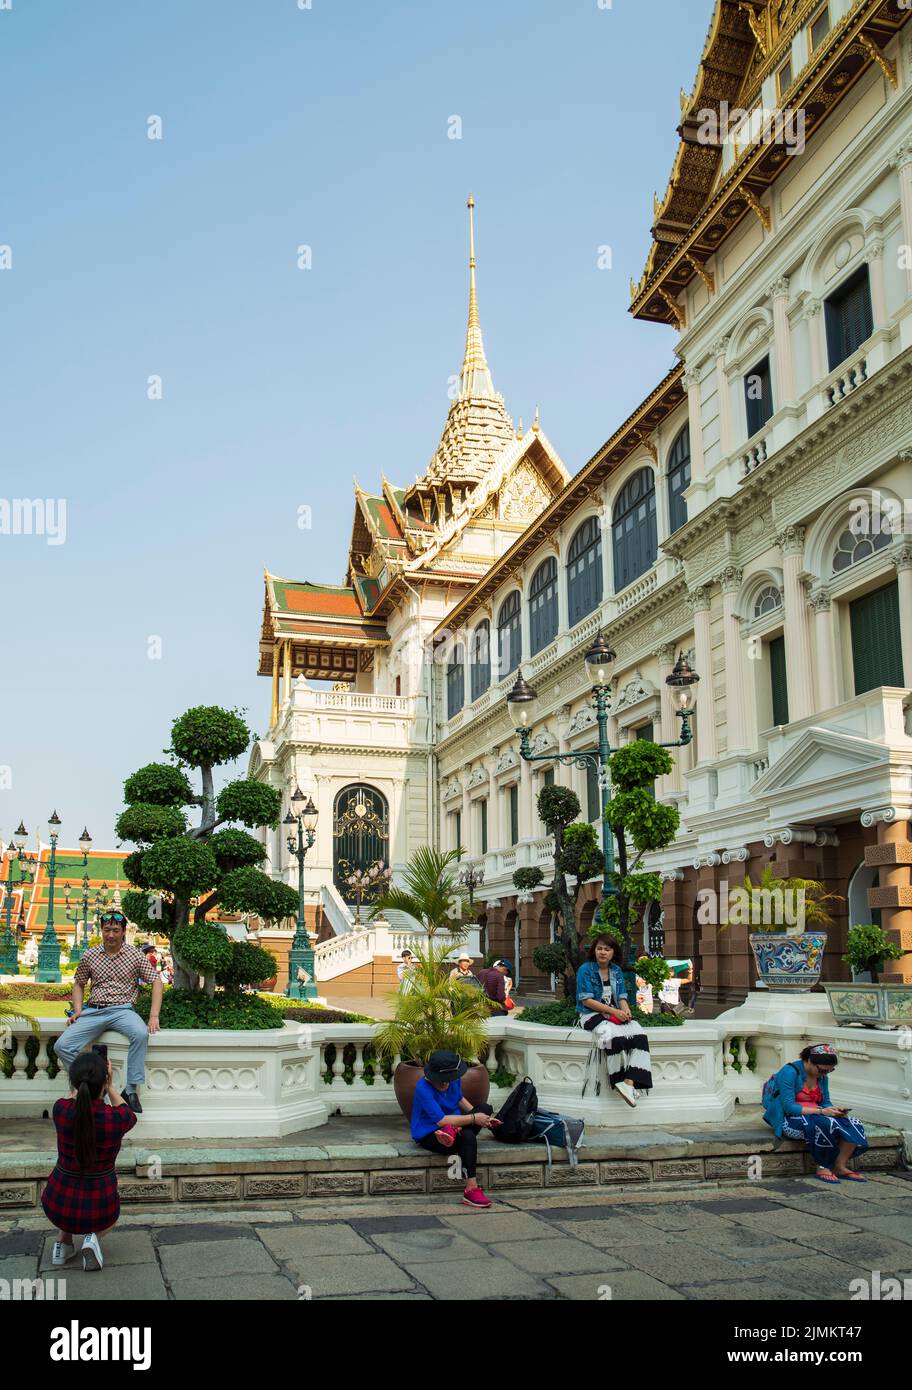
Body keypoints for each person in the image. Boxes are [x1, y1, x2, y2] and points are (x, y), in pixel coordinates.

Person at [54, 910, 161, 1115]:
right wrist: (77, 1011)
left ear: (123, 932)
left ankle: (131, 1089)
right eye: (106, 930)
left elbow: (156, 981)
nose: (110, 935)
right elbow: (79, 984)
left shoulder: (135, 955)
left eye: (115, 930)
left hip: (123, 1010)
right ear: (101, 931)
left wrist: (153, 1015)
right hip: (94, 1010)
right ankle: (93, 1082)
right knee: (62, 1046)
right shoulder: (90, 955)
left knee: (140, 1033)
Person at [42, 1050, 137, 1271]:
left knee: (72, 1201)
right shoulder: (116, 1119)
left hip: (57, 1203)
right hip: (101, 1207)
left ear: (74, 1082)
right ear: (104, 1081)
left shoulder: (61, 1110)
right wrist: (110, 1085)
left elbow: (73, 1097)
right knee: (106, 1213)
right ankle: (91, 1239)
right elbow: (128, 1113)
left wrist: (88, 1083)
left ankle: (62, 1245)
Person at [762, 1043, 869, 1184]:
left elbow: (825, 1101)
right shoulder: (789, 1072)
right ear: (809, 1061)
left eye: (829, 1071)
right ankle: (822, 1167)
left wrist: (835, 1111)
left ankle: (839, 1166)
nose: (824, 1074)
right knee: (824, 1123)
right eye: (822, 1070)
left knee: (853, 1122)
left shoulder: (822, 1076)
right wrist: (821, 1111)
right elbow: (789, 1107)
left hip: (816, 1113)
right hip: (790, 1119)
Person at [410, 1050, 496, 1208]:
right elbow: (441, 1120)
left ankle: (453, 1133)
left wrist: (483, 1119)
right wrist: (474, 1119)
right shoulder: (423, 1088)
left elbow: (460, 1099)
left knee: (484, 1108)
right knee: (468, 1136)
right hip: (432, 1132)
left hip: (455, 1125)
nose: (447, 1083)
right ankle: (471, 1189)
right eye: (444, 1080)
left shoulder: (453, 1079)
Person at [576, 933, 653, 1107]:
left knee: (640, 1034)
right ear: (594, 951)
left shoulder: (616, 971)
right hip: (590, 1015)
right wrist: (614, 1011)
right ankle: (618, 1080)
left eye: (607, 949)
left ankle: (629, 1083)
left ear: (613, 952)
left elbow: (622, 996)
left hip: (613, 1014)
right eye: (599, 948)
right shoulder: (585, 970)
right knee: (610, 1037)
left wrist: (625, 1010)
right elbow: (586, 1000)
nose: (602, 952)